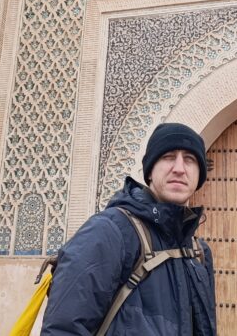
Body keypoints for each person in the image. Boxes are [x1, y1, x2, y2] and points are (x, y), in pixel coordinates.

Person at [41, 123, 216, 335]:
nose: (179, 168)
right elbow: (64, 329)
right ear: (150, 171)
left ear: (199, 176)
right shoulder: (110, 232)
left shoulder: (198, 252)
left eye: (190, 159)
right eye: (168, 156)